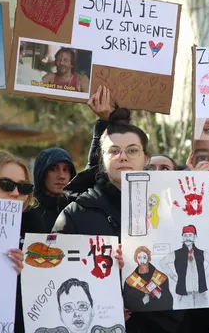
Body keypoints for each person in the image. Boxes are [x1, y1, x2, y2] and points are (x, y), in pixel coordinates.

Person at [53, 109, 185, 332]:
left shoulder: (173, 210)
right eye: (114, 151)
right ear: (102, 160)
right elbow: (56, 281)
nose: (123, 157)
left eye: (132, 150)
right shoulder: (75, 214)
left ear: (146, 158)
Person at [161, 225, 209, 309]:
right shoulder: (177, 253)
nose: (187, 238)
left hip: (200, 294)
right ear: (182, 237)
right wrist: (173, 276)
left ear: (195, 237)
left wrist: (204, 275)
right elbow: (163, 262)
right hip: (184, 296)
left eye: (190, 235)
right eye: (185, 235)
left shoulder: (201, 253)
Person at [25, 148, 77, 233]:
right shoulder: (26, 215)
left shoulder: (78, 212)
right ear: (41, 173)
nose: (61, 176)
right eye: (53, 169)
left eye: (66, 169)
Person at [124, 246, 174, 311]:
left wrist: (158, 297)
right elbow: (128, 304)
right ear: (136, 259)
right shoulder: (129, 281)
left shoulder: (161, 278)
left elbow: (168, 302)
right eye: (139, 257)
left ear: (148, 258)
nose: (142, 260)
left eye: (144, 257)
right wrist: (141, 302)